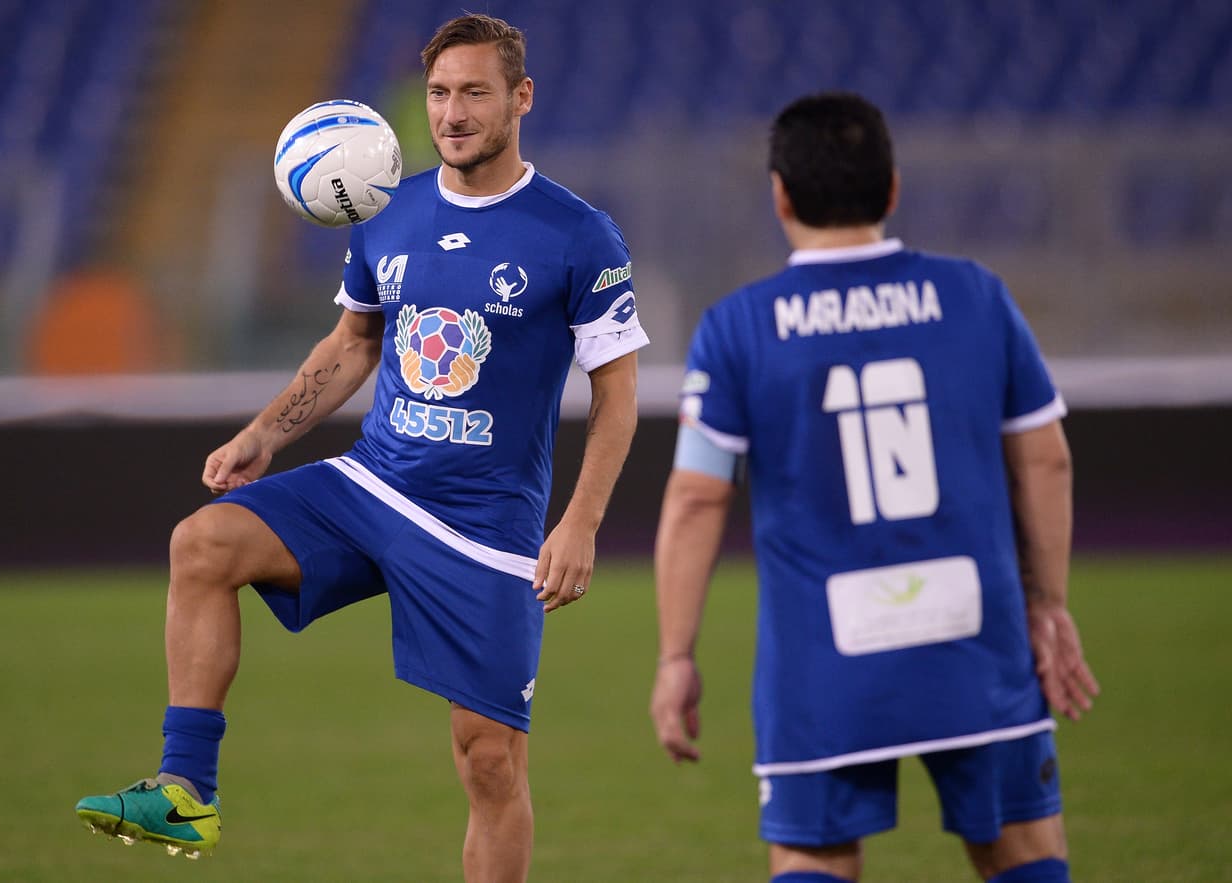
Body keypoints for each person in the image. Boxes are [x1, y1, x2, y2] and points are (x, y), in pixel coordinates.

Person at [76, 14, 647, 882]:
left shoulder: (578, 234)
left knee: (488, 760)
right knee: (202, 543)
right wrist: (265, 432)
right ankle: (185, 787)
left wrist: (580, 523)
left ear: (521, 98)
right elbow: (355, 342)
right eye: (440, 93)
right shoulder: (388, 208)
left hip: (484, 523)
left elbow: (618, 396)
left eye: (474, 93)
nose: (452, 113)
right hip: (373, 485)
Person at [649, 92, 1098, 883]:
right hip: (974, 633)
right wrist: (1048, 603)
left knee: (813, 857)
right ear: (893, 188)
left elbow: (696, 497)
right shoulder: (976, 296)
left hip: (825, 657)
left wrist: (676, 653)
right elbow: (1046, 458)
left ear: (780, 196)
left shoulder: (737, 327)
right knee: (1022, 848)